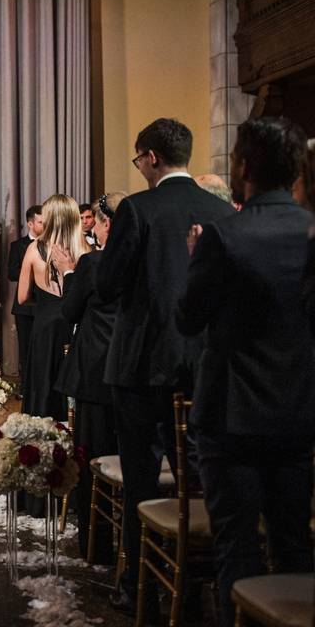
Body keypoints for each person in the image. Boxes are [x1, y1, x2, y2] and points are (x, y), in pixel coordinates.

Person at [177, 117, 315, 627]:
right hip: (298, 412)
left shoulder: (223, 235)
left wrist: (197, 258)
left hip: (231, 414)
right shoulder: (309, 231)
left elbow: (189, 319)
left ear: (243, 166)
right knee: (294, 543)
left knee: (236, 547)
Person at [95, 118, 235, 618]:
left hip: (140, 365)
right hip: (202, 368)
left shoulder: (137, 208)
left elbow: (108, 286)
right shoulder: (221, 211)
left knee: (141, 481)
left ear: (151, 157)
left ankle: (139, 583)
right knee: (198, 478)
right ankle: (199, 579)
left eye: (138, 160)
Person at [53, 191, 126, 562]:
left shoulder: (94, 264)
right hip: (132, 372)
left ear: (107, 223)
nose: (91, 228)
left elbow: (70, 311)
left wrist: (68, 271)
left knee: (92, 458)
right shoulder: (143, 261)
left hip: (96, 373)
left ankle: (96, 546)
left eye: (94, 221)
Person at [17, 194, 90, 419]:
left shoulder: (33, 249)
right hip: (76, 326)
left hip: (45, 327)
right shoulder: (86, 250)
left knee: (43, 387)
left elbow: (22, 297)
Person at [7, 205, 43, 395]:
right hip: (24, 306)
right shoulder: (18, 245)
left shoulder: (50, 244)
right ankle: (26, 386)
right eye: (40, 221)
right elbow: (11, 273)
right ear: (30, 223)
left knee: (44, 346)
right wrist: (30, 269)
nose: (44, 224)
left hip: (45, 303)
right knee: (25, 347)